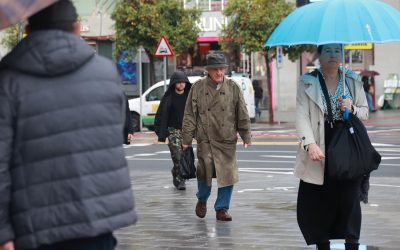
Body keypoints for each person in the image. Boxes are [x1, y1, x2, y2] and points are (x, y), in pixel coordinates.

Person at [0, 1, 136, 250]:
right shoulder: (106, 72)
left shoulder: (8, 80)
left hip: (34, 227)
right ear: (76, 29)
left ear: (28, 31)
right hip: (96, 220)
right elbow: (114, 129)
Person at [294, 44, 369, 250]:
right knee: (318, 199)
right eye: (328, 51)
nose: (333, 55)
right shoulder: (307, 82)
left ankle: (352, 242)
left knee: (350, 198)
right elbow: (301, 116)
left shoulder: (352, 80)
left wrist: (352, 108)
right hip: (319, 144)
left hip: (346, 145)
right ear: (319, 55)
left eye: (337, 51)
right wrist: (310, 144)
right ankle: (322, 243)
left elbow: (364, 112)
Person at [181, 53, 252, 221]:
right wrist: (186, 139)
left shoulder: (233, 87)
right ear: (209, 70)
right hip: (206, 138)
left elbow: (242, 112)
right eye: (216, 70)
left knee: (227, 174)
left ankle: (222, 208)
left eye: (222, 69)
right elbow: (190, 114)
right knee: (204, 172)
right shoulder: (198, 87)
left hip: (226, 138)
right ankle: (202, 199)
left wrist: (245, 135)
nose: (219, 73)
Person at [154, 71, 192, 190]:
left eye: (183, 82)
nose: (181, 84)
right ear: (174, 84)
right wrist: (160, 130)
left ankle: (176, 172)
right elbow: (160, 115)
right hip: (173, 131)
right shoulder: (168, 98)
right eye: (179, 82)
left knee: (185, 157)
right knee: (177, 156)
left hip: (186, 131)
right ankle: (181, 181)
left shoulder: (189, 97)